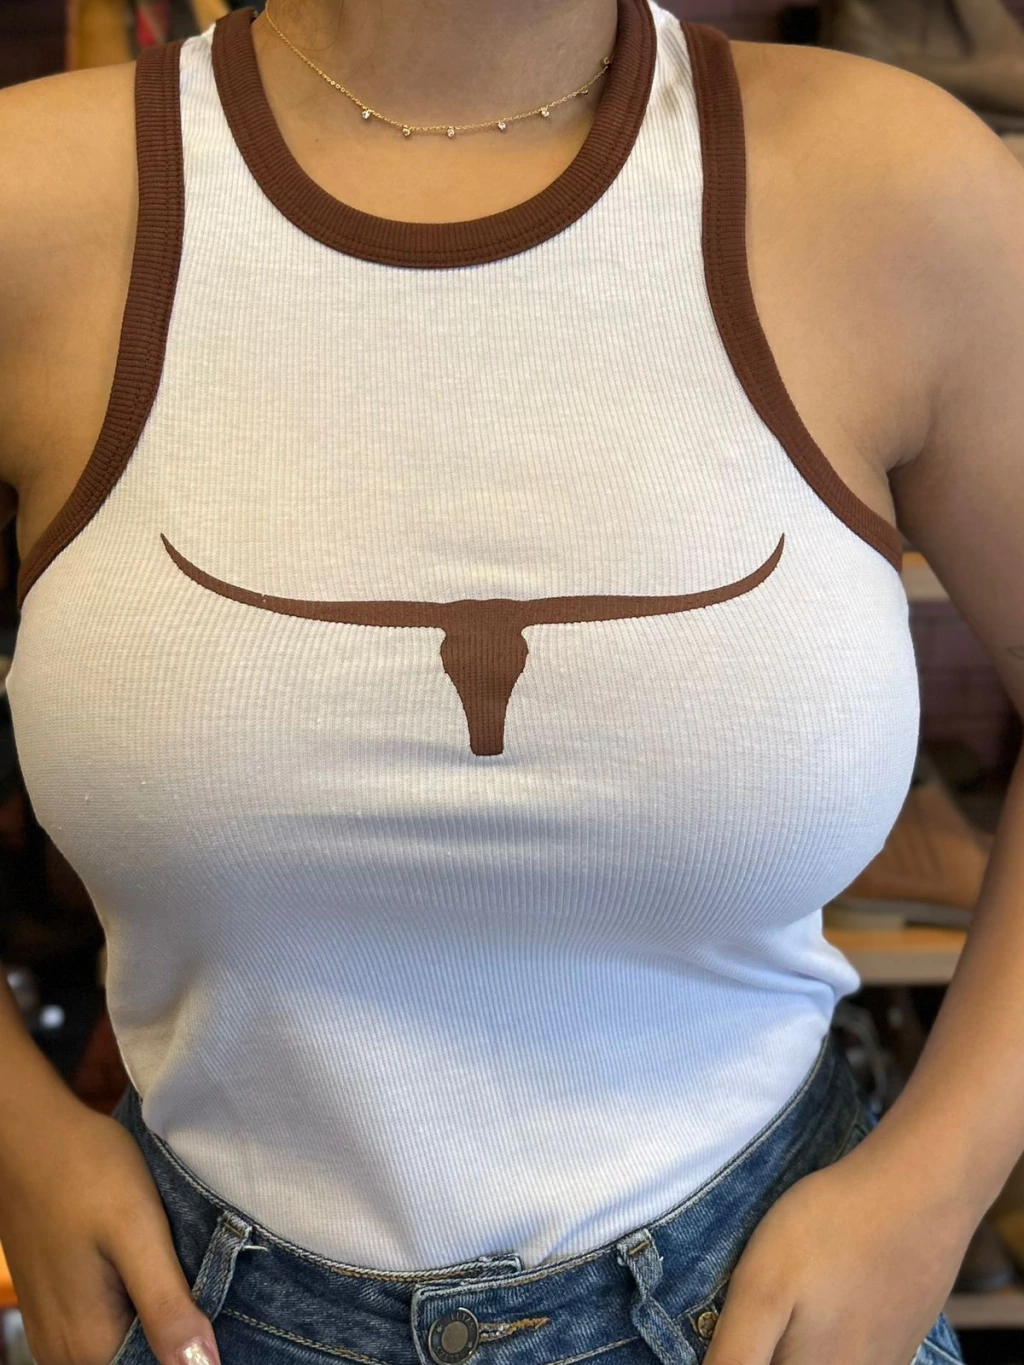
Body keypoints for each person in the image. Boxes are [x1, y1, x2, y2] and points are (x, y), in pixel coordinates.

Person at [0, 0, 1023, 1363]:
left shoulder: (905, 190)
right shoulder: (32, 203)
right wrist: (17, 1133)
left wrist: (937, 1186)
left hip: (769, 1307)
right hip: (193, 1306)